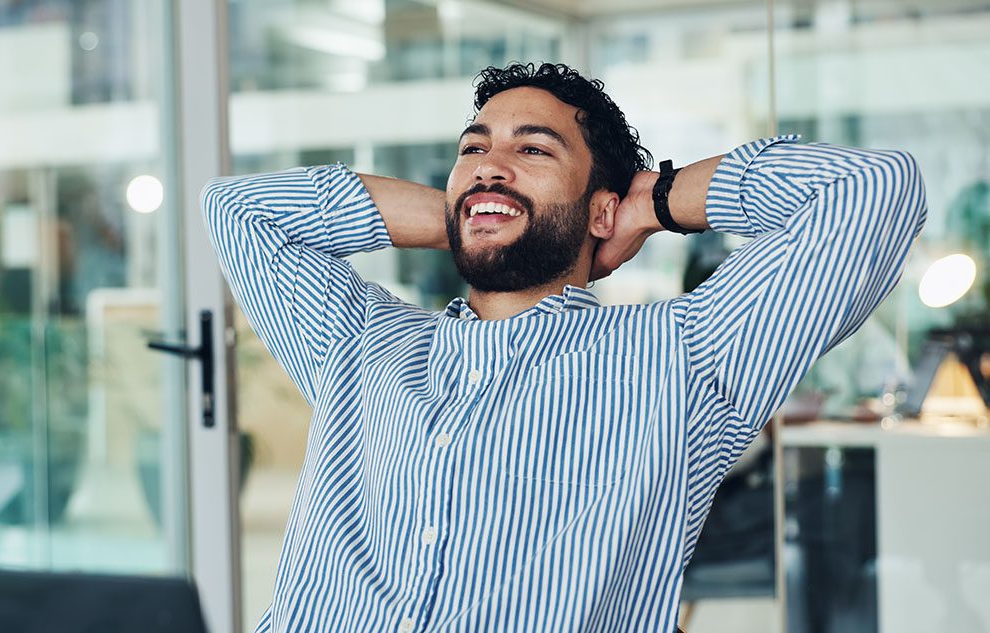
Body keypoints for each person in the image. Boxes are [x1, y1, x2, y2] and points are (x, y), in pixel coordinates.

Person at [201, 62, 926, 632]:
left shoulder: (683, 357)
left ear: (600, 207)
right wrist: (469, 214)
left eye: (533, 149)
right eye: (473, 151)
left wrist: (654, 201)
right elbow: (236, 209)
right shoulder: (356, 338)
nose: (489, 164)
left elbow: (873, 191)